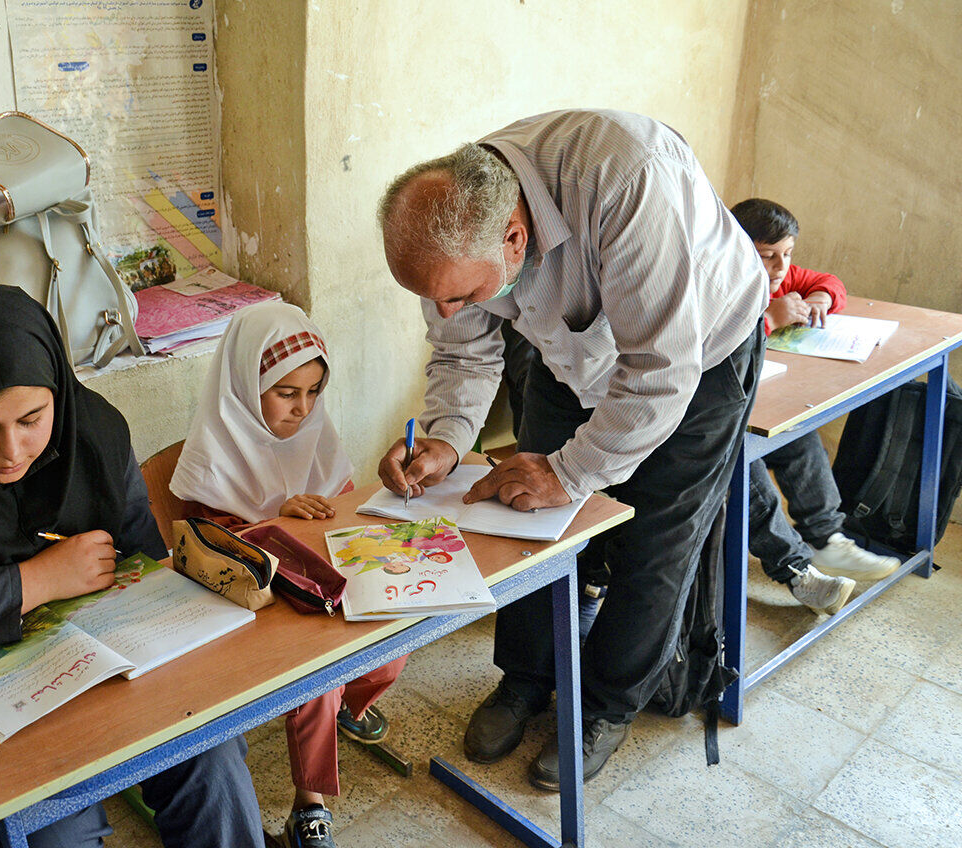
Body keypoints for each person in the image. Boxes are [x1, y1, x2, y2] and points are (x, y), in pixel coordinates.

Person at [375, 110, 768, 789]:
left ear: (515, 237)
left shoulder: (624, 181)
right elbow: (462, 349)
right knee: (526, 511)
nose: (445, 311)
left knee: (655, 539)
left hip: (700, 355)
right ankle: (526, 680)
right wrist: (445, 437)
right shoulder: (458, 233)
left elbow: (658, 372)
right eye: (430, 299)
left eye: (459, 295)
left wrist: (573, 472)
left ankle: (605, 707)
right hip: (574, 349)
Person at [0, 281, 265, 848]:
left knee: (212, 763)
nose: (11, 451)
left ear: (58, 388)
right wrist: (35, 581)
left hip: (110, 668)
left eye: (32, 419)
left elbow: (149, 563)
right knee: (55, 825)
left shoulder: (93, 432)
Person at [170, 301, 406, 848]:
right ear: (247, 385)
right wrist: (275, 521)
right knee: (318, 673)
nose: (303, 410)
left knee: (393, 635)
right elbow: (208, 551)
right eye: (286, 393)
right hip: (255, 606)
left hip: (322, 585)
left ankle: (352, 703)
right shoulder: (214, 452)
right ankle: (310, 804)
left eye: (313, 393)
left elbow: (342, 508)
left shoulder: (314, 434)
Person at [731, 198, 900, 613]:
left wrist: (822, 296)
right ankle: (797, 572)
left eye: (786, 255)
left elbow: (826, 280)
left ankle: (827, 539)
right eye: (767, 256)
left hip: (758, 402)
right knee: (745, 463)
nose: (780, 268)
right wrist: (768, 318)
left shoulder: (782, 278)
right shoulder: (723, 284)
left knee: (801, 439)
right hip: (715, 418)